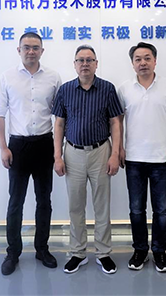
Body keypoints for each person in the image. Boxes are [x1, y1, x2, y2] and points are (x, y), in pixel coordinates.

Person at [0, 32, 61, 276]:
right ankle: (13, 253)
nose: (31, 51)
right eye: (26, 47)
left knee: (44, 201)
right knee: (16, 202)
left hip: (44, 144)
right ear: (18, 50)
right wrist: (3, 147)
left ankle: (42, 249)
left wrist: (58, 151)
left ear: (42, 50)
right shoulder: (7, 77)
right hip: (18, 147)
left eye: (35, 47)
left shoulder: (54, 78)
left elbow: (60, 116)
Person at [52, 45, 123, 275]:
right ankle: (78, 252)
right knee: (75, 205)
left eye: (89, 60)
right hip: (72, 152)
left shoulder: (107, 89)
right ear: (74, 64)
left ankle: (103, 253)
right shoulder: (65, 90)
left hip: (101, 151)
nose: (85, 64)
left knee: (102, 205)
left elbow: (115, 122)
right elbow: (59, 124)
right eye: (80, 60)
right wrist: (57, 156)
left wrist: (115, 153)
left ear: (96, 64)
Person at [117, 42, 166, 272]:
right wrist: (119, 148)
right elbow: (118, 122)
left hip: (161, 159)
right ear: (132, 63)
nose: (142, 63)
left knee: (161, 210)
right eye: (138, 59)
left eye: (147, 58)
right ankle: (140, 251)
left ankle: (160, 252)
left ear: (155, 61)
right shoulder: (124, 88)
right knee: (136, 210)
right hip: (134, 158)